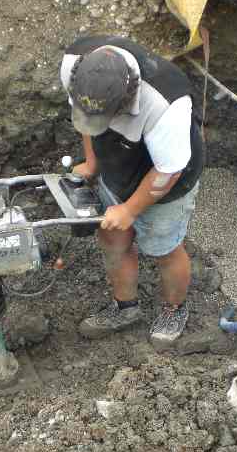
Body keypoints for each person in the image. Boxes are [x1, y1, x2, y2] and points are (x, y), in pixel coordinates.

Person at [59, 35, 205, 345]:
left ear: (126, 99)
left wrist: (129, 209)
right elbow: (87, 122)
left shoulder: (167, 104)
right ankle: (125, 308)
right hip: (117, 160)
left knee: (163, 250)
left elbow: (169, 171)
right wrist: (93, 163)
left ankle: (174, 309)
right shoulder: (76, 64)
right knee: (113, 239)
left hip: (167, 176)